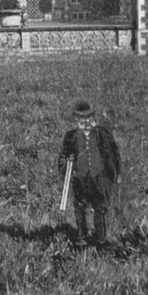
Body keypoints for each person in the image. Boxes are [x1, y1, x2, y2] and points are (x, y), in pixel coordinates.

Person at [59, 100, 122, 245]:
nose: (86, 121)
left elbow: (114, 153)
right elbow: (63, 157)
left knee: (100, 208)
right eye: (82, 118)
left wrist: (116, 173)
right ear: (76, 119)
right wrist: (67, 170)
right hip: (80, 178)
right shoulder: (71, 136)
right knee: (80, 207)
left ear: (93, 117)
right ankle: (82, 237)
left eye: (88, 117)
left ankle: (101, 239)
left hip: (99, 177)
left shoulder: (102, 134)